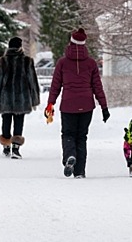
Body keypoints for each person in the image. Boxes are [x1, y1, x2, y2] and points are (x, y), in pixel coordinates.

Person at [44, 28, 110, 178]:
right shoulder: (91, 63)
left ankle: (69, 156)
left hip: (68, 105)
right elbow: (97, 87)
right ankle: (79, 171)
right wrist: (104, 107)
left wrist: (50, 104)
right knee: (82, 137)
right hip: (87, 105)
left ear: (71, 43)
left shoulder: (62, 63)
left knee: (68, 133)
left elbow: (55, 85)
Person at [0, 36, 40, 159]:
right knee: (19, 122)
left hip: (5, 98)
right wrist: (34, 100)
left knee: (6, 120)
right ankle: (16, 148)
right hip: (22, 98)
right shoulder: (27, 61)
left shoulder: (3, 61)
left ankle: (6, 146)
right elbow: (32, 81)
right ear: (20, 47)